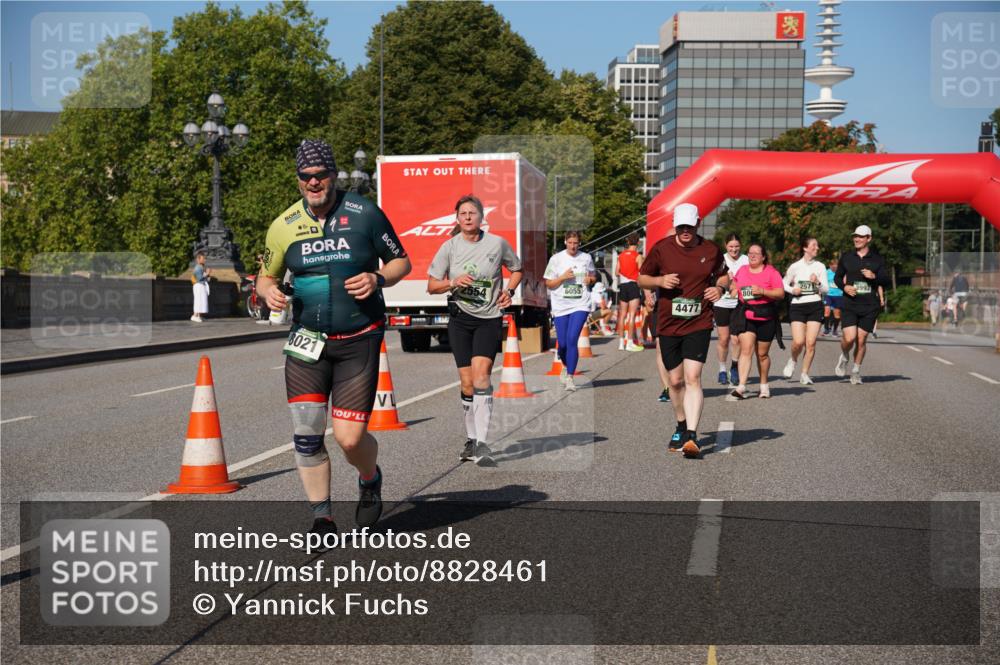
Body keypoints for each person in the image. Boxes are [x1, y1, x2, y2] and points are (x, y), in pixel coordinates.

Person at [258, 139, 411, 538]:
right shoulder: (283, 225)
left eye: (321, 175)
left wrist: (378, 277)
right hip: (307, 343)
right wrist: (268, 291)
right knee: (307, 434)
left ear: (333, 175)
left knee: (349, 438)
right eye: (306, 176)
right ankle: (322, 518)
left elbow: (401, 261)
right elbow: (265, 276)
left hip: (358, 339)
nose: (314, 182)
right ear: (298, 179)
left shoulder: (365, 213)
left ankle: (369, 478)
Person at [427, 194, 523, 463]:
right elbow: (432, 286)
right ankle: (471, 439)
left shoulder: (497, 244)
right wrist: (453, 282)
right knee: (467, 383)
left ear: (482, 217)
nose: (468, 217)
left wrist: (509, 291)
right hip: (460, 319)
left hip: (488, 318)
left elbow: (517, 269)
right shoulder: (449, 247)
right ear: (457, 218)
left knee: (482, 377)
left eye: (473, 213)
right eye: (463, 213)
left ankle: (482, 442)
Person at [638, 203, 728, 458]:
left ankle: (691, 435)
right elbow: (642, 278)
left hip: (699, 322)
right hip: (669, 323)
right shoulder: (662, 249)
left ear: (698, 223)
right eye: (681, 227)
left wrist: (719, 289)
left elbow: (724, 275)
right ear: (675, 225)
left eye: (690, 226)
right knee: (675, 382)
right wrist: (659, 281)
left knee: (693, 378)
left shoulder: (710, 250)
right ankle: (680, 423)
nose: (685, 230)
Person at [834, 225, 890, 384]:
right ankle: (845, 356)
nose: (857, 239)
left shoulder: (877, 259)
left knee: (862, 339)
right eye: (855, 236)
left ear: (868, 238)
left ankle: (856, 371)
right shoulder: (847, 257)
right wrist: (844, 287)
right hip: (850, 303)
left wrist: (874, 276)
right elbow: (837, 278)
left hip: (869, 305)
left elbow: (885, 280)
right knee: (849, 338)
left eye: (860, 236)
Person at [729, 243, 785, 399]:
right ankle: (741, 387)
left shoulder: (771, 272)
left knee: (762, 354)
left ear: (763, 257)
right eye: (750, 253)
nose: (752, 255)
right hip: (746, 315)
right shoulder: (742, 270)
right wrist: (733, 289)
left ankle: (764, 385)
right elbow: (734, 284)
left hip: (765, 316)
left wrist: (762, 291)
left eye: (756, 253)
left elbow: (780, 294)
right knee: (746, 349)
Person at [544, 230, 596, 392]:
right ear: (565, 242)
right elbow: (548, 284)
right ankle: (566, 366)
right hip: (561, 305)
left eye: (576, 243)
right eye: (570, 243)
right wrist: (562, 277)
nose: (573, 246)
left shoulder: (586, 258)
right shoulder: (556, 259)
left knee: (572, 339)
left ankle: (570, 377)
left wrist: (590, 279)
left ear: (579, 243)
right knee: (563, 344)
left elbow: (593, 276)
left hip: (581, 303)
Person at [782, 237, 828, 385]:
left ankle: (804, 373)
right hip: (798, 306)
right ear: (805, 248)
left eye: (817, 245)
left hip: (815, 305)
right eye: (814, 245)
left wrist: (818, 282)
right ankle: (793, 359)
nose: (817, 248)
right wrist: (793, 290)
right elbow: (783, 283)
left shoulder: (820, 266)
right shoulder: (795, 266)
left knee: (811, 343)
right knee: (798, 341)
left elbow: (826, 289)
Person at [713, 233, 749, 385]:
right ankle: (722, 369)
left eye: (737, 246)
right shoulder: (720, 260)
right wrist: (724, 280)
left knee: (737, 339)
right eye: (731, 246)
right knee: (724, 339)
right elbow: (712, 278)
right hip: (722, 303)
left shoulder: (746, 260)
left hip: (739, 304)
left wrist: (739, 282)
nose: (734, 249)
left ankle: (734, 367)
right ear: (725, 245)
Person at [616, 233, 644, 352]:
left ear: (628, 242)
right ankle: (630, 342)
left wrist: (625, 274)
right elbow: (641, 273)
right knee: (632, 315)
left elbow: (616, 272)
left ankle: (621, 343)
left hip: (623, 285)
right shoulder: (638, 256)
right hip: (633, 285)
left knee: (622, 315)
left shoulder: (621, 255)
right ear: (638, 242)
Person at [823, 259, 843, 337]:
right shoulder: (826, 272)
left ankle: (835, 330)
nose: (834, 267)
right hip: (828, 295)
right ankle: (826, 329)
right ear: (830, 266)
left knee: (837, 314)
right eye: (832, 266)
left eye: (836, 266)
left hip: (838, 295)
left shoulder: (841, 272)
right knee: (827, 311)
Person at [191, 253, 211, 322]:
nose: (204, 260)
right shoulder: (198, 268)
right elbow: (199, 278)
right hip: (198, 285)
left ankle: (199, 315)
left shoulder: (202, 267)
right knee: (198, 300)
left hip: (202, 285)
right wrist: (207, 274)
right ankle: (194, 315)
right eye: (203, 259)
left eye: (204, 258)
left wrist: (208, 275)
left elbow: (205, 278)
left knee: (202, 301)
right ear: (198, 259)